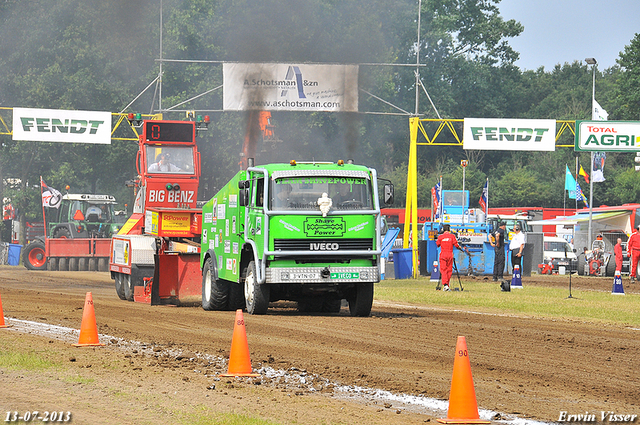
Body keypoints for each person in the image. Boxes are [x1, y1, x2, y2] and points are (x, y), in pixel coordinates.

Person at [436, 224, 469, 291]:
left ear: (443, 229)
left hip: (443, 255)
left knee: (443, 270)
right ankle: (447, 285)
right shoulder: (452, 236)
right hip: (450, 255)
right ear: (449, 229)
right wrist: (462, 249)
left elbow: (437, 244)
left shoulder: (440, 237)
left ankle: (445, 285)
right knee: (449, 270)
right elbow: (456, 245)